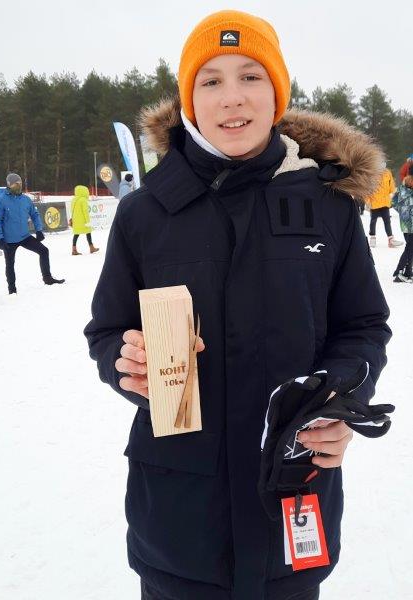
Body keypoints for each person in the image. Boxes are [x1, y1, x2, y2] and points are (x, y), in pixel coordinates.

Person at [84, 11, 391, 600]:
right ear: (189, 101)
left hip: (293, 494)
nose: (232, 97)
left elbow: (363, 325)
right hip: (179, 518)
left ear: (277, 92)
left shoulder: (328, 205)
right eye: (211, 81)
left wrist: (337, 397)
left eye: (251, 76)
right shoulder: (145, 213)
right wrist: (125, 360)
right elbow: (108, 330)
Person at [0, 173, 65, 294]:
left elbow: (34, 214)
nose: (19, 186)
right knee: (9, 264)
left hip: (24, 236)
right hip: (9, 240)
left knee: (44, 251)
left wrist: (39, 230)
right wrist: (0, 238)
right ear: (9, 185)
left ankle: (47, 278)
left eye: (20, 183)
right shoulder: (1, 201)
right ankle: (12, 290)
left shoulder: (25, 199)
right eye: (16, 184)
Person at [365, 166, 403, 247]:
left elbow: (391, 186)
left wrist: (393, 193)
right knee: (373, 220)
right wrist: (367, 201)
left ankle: (391, 239)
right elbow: (367, 189)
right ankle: (372, 237)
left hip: (385, 202)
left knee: (387, 220)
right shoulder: (371, 173)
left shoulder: (387, 173)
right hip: (374, 202)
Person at [392, 164, 413, 282]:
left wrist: (403, 213)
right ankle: (399, 271)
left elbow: (393, 202)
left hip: (405, 224)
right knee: (410, 248)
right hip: (411, 224)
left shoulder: (402, 188)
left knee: (410, 247)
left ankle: (408, 272)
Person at [70, 185, 99, 255]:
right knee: (88, 233)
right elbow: (85, 212)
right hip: (83, 221)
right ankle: (91, 248)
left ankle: (74, 249)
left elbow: (71, 210)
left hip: (76, 221)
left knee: (76, 234)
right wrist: (88, 221)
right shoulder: (83, 200)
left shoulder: (73, 199)